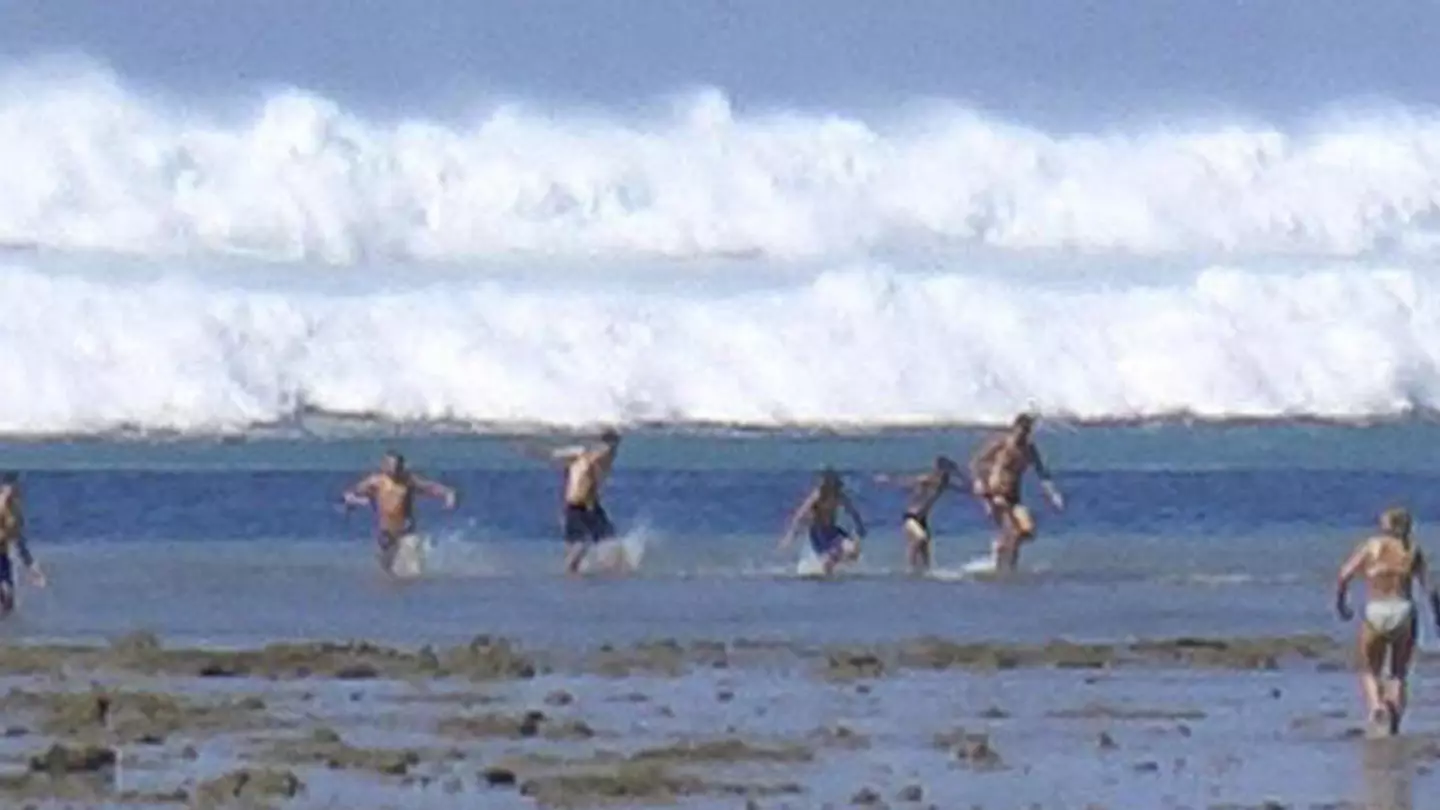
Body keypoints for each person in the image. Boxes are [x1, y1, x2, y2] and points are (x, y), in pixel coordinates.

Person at [1336, 507, 1440, 735]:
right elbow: (1430, 588)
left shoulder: (1371, 546)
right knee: (1399, 673)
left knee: (1368, 669)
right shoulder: (1412, 550)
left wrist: (1341, 603)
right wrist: (1437, 616)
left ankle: (1376, 706)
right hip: (1403, 609)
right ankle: (1394, 720)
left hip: (1376, 609)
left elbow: (1344, 574)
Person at [968, 413, 1064, 571]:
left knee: (1028, 531)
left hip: (1014, 496)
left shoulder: (1029, 449)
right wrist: (979, 482)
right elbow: (976, 462)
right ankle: (1006, 569)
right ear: (1014, 428)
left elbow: (1042, 473)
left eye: (1026, 431)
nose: (1022, 435)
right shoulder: (1001, 443)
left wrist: (1053, 494)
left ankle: (1002, 548)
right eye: (1020, 431)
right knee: (1013, 531)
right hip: (996, 494)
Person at [520, 429, 623, 575]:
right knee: (578, 545)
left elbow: (599, 461)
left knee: (609, 541)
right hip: (576, 505)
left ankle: (608, 569)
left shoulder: (600, 457)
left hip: (590, 505)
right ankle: (574, 573)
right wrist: (530, 449)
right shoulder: (583, 455)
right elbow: (554, 455)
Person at [342, 451, 457, 574]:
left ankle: (415, 585)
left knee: (413, 568)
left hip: (406, 529)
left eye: (397, 466)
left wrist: (448, 495)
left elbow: (430, 487)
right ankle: (396, 589)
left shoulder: (409, 480)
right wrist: (355, 501)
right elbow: (351, 493)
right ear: (384, 465)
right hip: (386, 531)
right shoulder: (376, 482)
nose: (394, 469)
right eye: (391, 465)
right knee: (387, 570)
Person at [874, 456, 967, 573]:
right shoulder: (927, 480)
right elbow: (906, 482)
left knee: (925, 552)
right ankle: (909, 568)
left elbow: (963, 488)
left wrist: (965, 479)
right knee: (920, 538)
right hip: (910, 517)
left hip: (923, 519)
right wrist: (887, 480)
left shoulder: (944, 484)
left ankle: (925, 575)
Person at [780, 468, 867, 576]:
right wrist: (790, 535)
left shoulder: (839, 495)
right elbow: (800, 515)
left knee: (853, 551)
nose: (834, 491)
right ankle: (825, 575)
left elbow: (853, 512)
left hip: (833, 531)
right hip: (818, 533)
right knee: (830, 559)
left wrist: (860, 526)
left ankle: (833, 566)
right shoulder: (818, 496)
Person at [0, 472, 45, 616]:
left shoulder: (15, 513)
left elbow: (19, 541)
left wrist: (31, 566)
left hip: (2, 555)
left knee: (8, 597)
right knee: (5, 592)